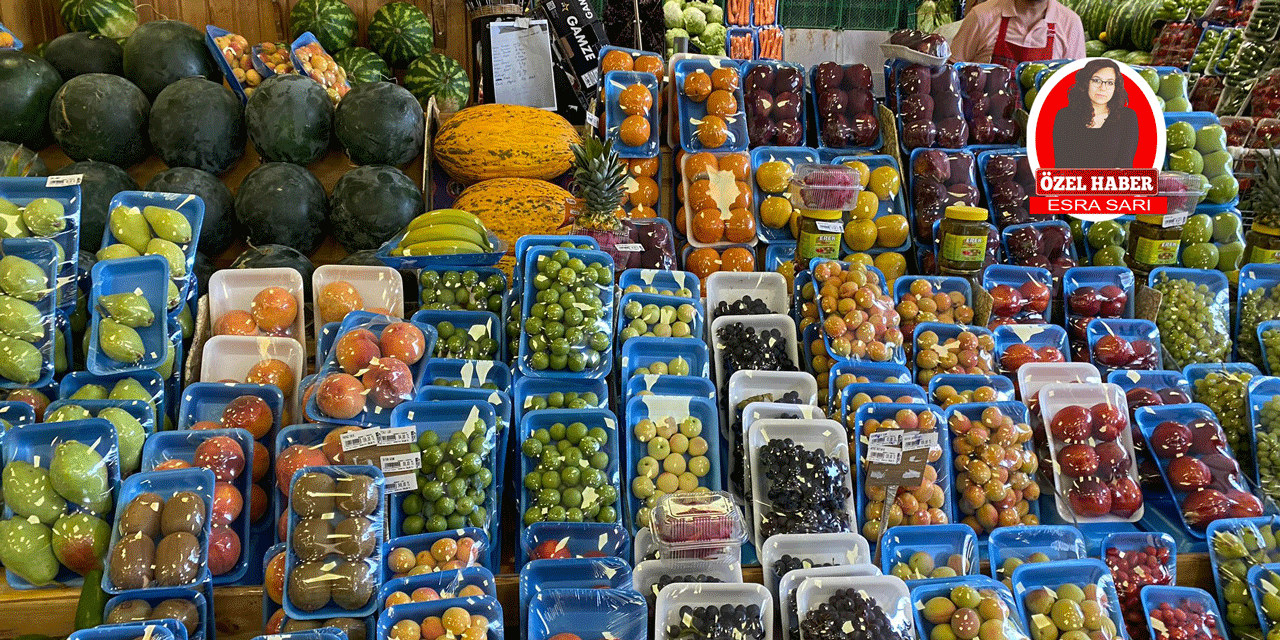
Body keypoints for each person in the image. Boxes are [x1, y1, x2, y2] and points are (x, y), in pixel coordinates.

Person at [1051, 58, 1141, 169]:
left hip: (1113, 185)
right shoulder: (1065, 116)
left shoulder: (1127, 117)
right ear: (1086, 83)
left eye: (1109, 83)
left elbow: (1125, 167)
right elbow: (1062, 165)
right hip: (1073, 184)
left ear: (1115, 87)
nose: (1102, 88)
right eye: (1096, 80)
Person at [950, 0, 1086, 68]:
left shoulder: (1071, 24)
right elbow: (948, 74)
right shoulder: (981, 17)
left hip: (1039, 122)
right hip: (982, 121)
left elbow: (1075, 88)